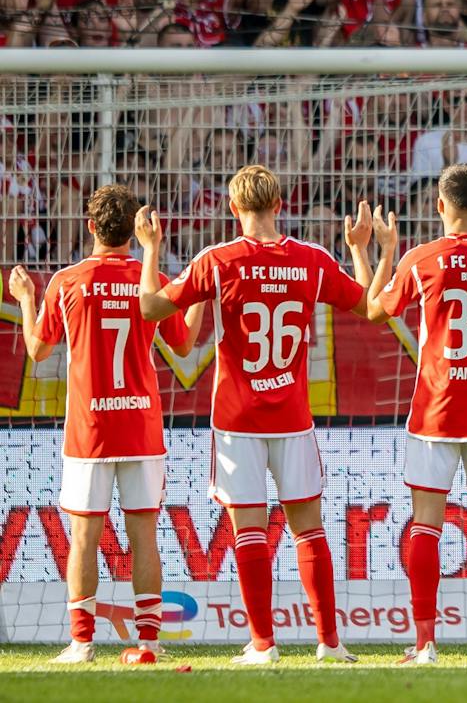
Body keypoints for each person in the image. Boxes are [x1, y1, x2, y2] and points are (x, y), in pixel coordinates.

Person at [137, 168, 389, 664]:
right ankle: (329, 643)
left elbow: (149, 308)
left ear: (234, 209)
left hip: (238, 420)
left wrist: (150, 249)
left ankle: (263, 644)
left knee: (249, 532)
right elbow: (370, 306)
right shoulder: (311, 259)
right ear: (279, 204)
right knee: (309, 530)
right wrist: (361, 250)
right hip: (292, 417)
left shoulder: (218, 260)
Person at [7, 185, 194, 664]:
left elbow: (37, 349)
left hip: (89, 430)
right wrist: (197, 295)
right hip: (141, 428)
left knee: (84, 539)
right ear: (134, 231)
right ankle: (148, 643)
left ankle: (82, 643)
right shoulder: (152, 280)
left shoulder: (67, 281)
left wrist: (26, 298)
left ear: (90, 227)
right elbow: (184, 344)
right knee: (144, 537)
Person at [362, 167, 467, 664]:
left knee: (426, 526)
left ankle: (425, 644)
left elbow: (374, 311)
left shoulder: (422, 259)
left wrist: (382, 252)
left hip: (436, 413)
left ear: (440, 206)